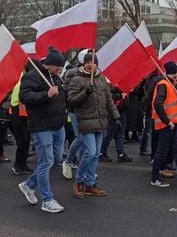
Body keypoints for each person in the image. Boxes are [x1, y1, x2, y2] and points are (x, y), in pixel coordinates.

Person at [18, 48, 67, 213]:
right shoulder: (32, 75)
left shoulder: (57, 77)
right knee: (45, 162)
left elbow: (62, 98)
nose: (61, 69)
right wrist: (47, 95)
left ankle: (29, 185)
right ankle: (47, 199)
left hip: (58, 125)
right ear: (50, 65)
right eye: (59, 66)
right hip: (41, 126)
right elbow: (24, 97)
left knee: (56, 159)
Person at [67, 50, 119, 198]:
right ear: (84, 63)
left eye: (94, 62)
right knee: (89, 153)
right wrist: (85, 92)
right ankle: (78, 182)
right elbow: (71, 101)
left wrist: (116, 116)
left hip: (100, 121)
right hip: (85, 122)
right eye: (88, 61)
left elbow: (108, 99)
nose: (91, 65)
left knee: (96, 154)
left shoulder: (101, 78)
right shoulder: (77, 79)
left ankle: (90, 184)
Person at [99, 86, 133, 163]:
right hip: (112, 113)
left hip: (121, 112)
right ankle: (102, 153)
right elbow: (108, 98)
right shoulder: (110, 85)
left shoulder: (123, 85)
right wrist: (121, 95)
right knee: (109, 134)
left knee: (120, 135)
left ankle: (120, 153)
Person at [9, 72, 32, 175]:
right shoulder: (20, 85)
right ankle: (17, 165)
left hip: (25, 117)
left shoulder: (25, 84)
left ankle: (23, 164)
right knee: (22, 143)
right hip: (19, 117)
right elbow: (15, 102)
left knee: (26, 142)